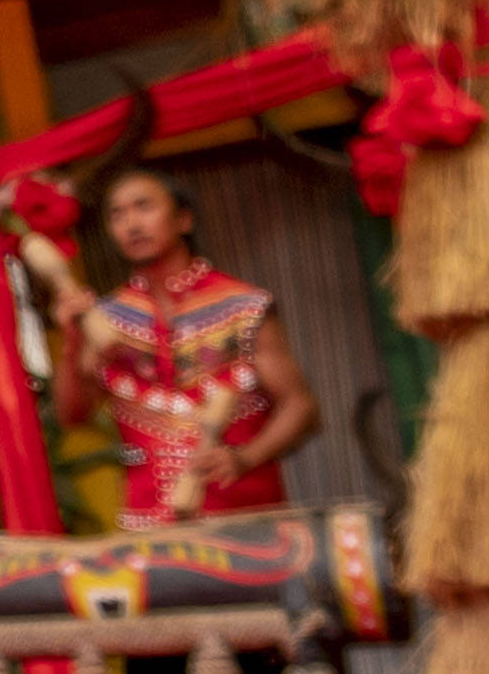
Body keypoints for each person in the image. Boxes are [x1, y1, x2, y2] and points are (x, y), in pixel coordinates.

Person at [76, 167, 320, 520]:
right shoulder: (107, 318)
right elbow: (75, 414)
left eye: (144, 207)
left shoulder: (242, 306)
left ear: (184, 220)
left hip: (245, 517)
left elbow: (300, 407)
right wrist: (71, 343)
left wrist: (243, 458)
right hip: (149, 523)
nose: (131, 223)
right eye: (117, 214)